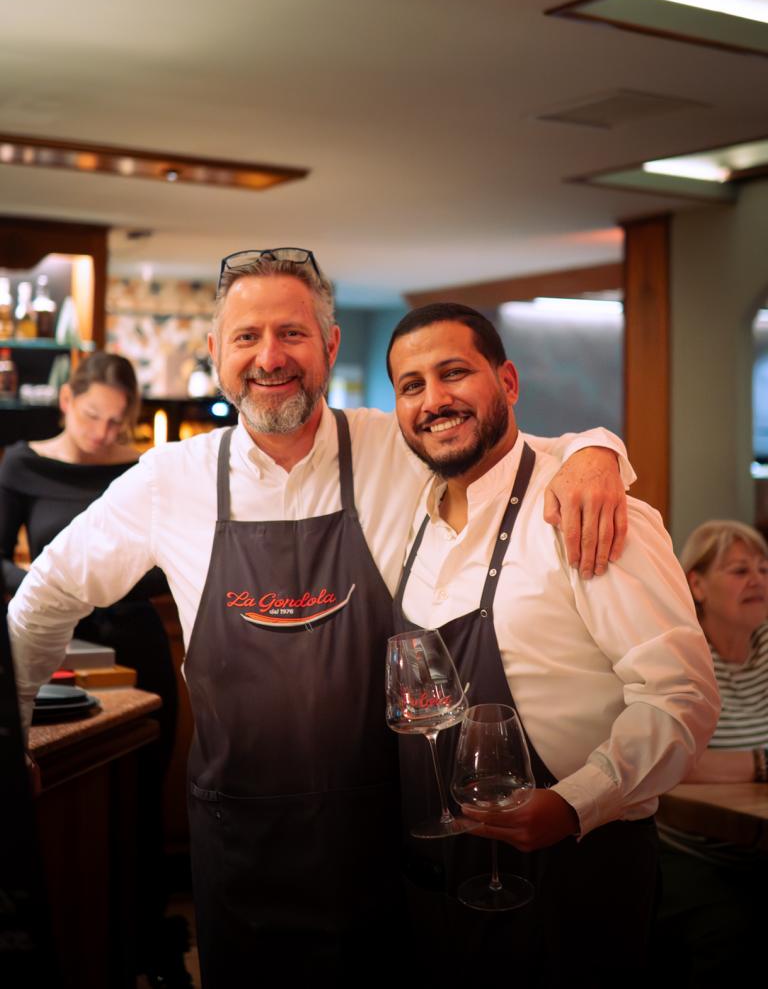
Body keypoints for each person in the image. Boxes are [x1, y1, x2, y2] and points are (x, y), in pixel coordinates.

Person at [10, 249, 634, 982]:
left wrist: (597, 451)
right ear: (215, 352)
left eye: (292, 333)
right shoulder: (169, 480)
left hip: (387, 840)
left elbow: (524, 453)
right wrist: (9, 734)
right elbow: (46, 594)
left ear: (331, 345)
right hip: (240, 843)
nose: (269, 357)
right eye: (246, 337)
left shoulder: (393, 446)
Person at [386, 303, 720, 986]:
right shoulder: (410, 517)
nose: (434, 399)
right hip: (443, 882)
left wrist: (574, 804)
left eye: (455, 372)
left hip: (577, 873)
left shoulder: (588, 510)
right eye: (411, 385)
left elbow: (682, 699)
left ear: (508, 381)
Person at [0, 351, 186, 988]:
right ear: (66, 402)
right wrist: (54, 583)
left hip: (138, 641)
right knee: (67, 786)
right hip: (59, 642)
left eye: (116, 422)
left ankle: (142, 939)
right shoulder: (21, 463)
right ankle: (78, 939)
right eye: (92, 416)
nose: (103, 433)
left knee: (142, 791)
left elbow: (164, 563)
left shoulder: (145, 470)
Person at [655, 520, 768, 984]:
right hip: (686, 850)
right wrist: (761, 763)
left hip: (755, 847)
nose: (757, 579)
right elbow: (667, 759)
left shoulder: (765, 644)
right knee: (734, 934)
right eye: (740, 570)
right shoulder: (681, 654)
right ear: (697, 585)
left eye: (763, 569)